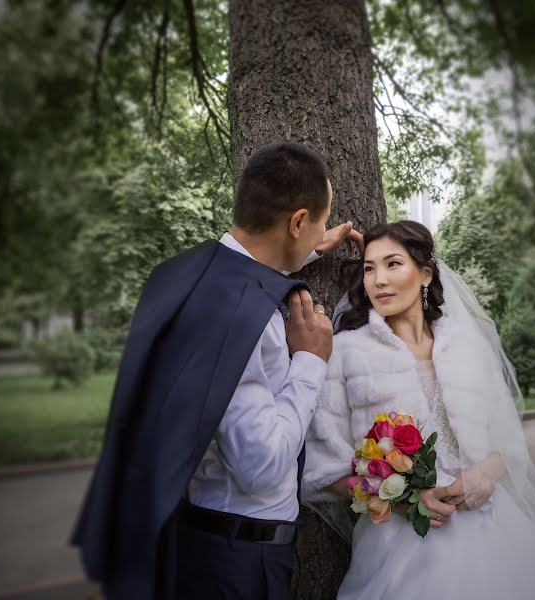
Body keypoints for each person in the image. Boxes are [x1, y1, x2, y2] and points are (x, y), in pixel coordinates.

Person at [72, 141, 363, 600]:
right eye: (318, 223)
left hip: (196, 539)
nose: (322, 231)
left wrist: (302, 250)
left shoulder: (185, 274)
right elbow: (262, 468)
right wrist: (310, 360)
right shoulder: (243, 321)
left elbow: (239, 274)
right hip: (239, 562)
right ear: (298, 222)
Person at [303, 220, 535, 599]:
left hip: (492, 529)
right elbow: (322, 467)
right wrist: (404, 501)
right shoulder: (348, 352)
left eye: (393, 264)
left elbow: (505, 437)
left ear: (425, 273)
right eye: (369, 268)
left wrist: (486, 474)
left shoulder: (467, 344)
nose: (378, 279)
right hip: (401, 547)